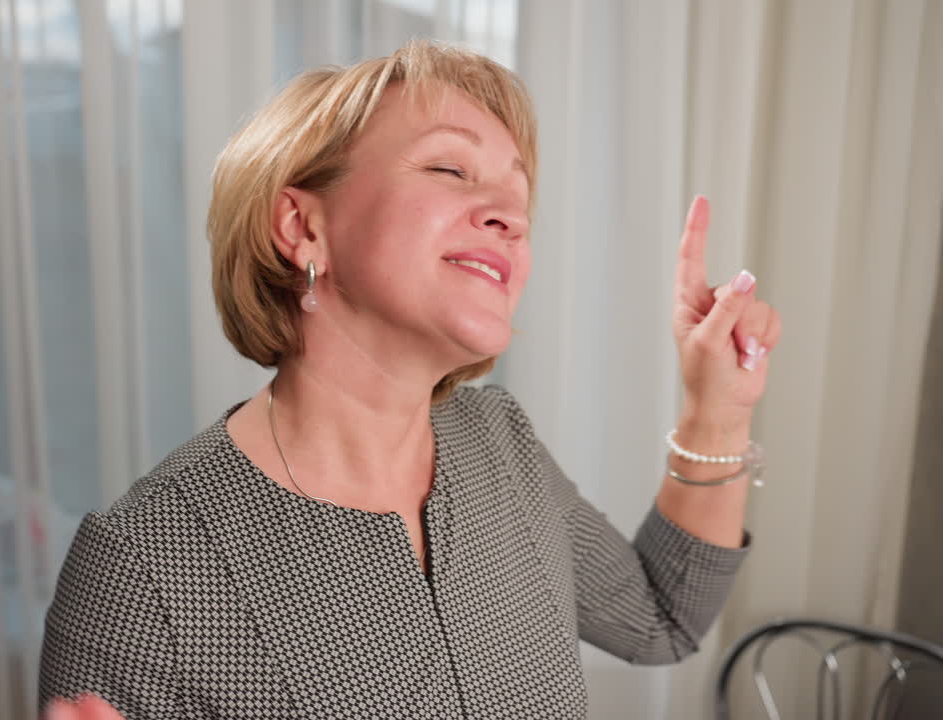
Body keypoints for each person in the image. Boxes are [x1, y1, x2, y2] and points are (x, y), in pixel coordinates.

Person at [39, 39, 781, 720]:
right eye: (449, 169)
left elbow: (662, 618)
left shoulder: (501, 446)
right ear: (302, 228)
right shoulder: (142, 565)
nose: (511, 218)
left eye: (518, 196)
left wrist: (716, 410)